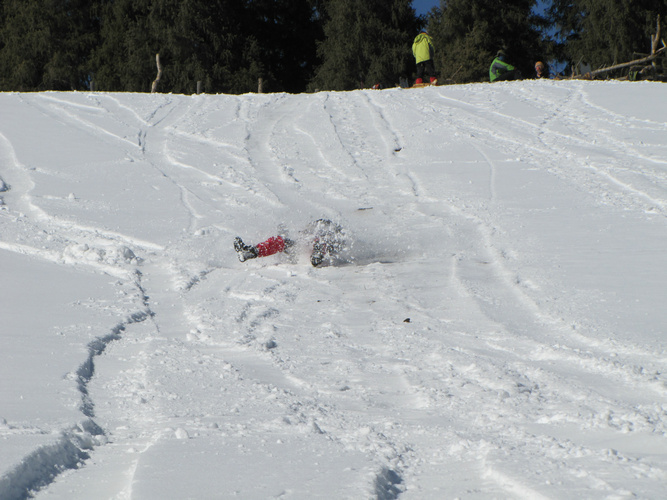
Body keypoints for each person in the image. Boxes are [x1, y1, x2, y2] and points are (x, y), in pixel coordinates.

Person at [234, 219, 345, 267]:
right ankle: (252, 252)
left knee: (320, 241)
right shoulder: (308, 236)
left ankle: (318, 254)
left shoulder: (334, 238)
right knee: (281, 241)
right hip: (299, 252)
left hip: (319, 252)